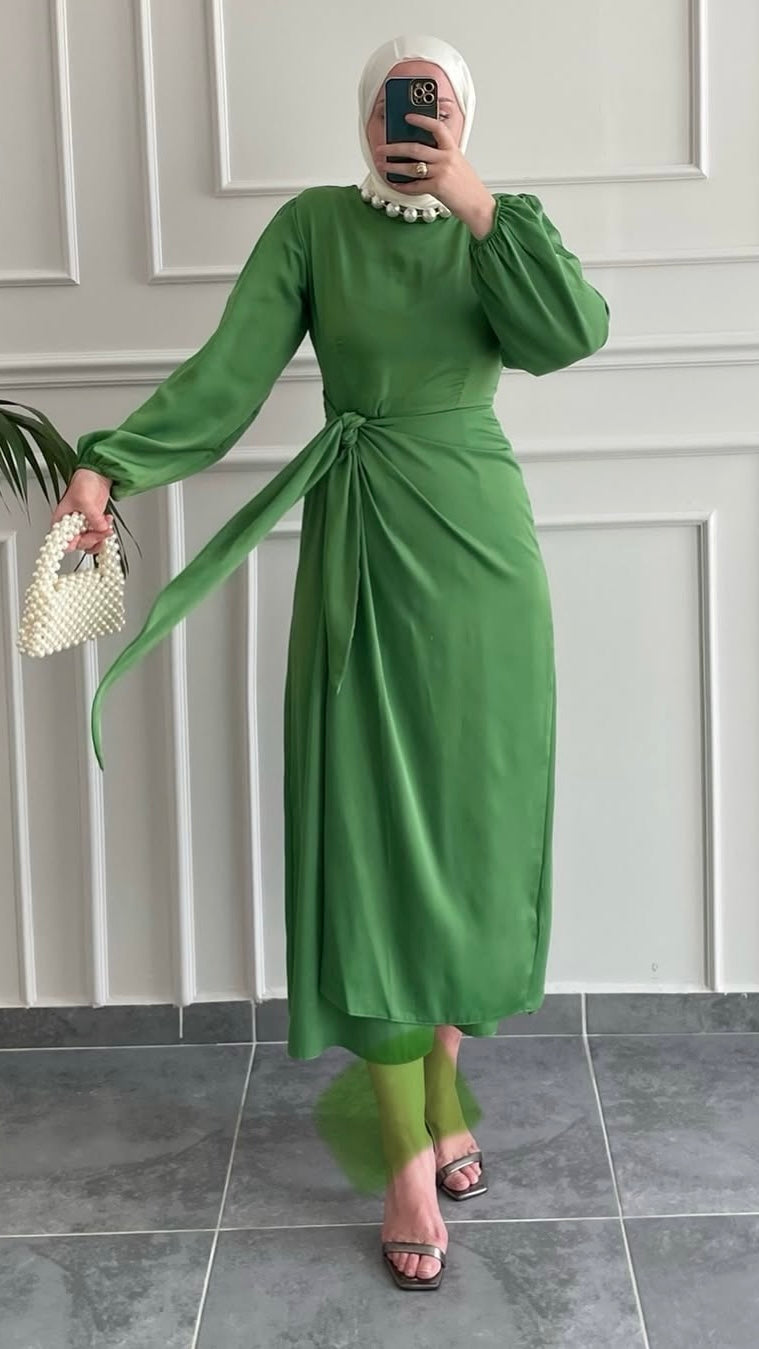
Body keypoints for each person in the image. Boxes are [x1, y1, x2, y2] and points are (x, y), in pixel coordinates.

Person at [52, 34, 610, 1290]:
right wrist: (108, 464)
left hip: (483, 567)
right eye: (392, 106)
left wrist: (473, 200)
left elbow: (571, 332)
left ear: (464, 117)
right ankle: (401, 1151)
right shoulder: (311, 229)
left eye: (435, 107)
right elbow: (226, 378)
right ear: (364, 116)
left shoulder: (499, 224)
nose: (409, 124)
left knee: (471, 838)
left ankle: (442, 1085)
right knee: (370, 851)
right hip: (362, 549)